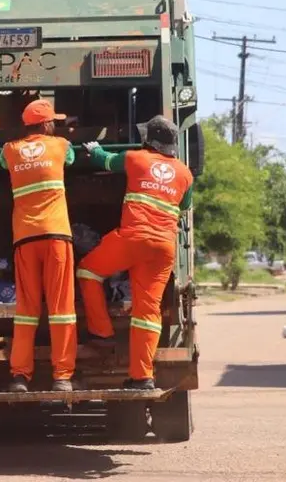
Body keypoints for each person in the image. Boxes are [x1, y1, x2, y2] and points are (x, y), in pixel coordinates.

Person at [76, 115, 193, 390]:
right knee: (147, 311)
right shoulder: (185, 173)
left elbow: (105, 161)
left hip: (133, 238)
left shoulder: (135, 158)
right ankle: (142, 378)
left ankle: (102, 333)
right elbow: (184, 204)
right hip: (164, 248)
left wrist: (94, 150)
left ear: (148, 140)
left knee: (88, 271)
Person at [0, 99, 78, 393]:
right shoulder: (61, 146)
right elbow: (70, 160)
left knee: (26, 310)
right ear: (46, 125)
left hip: (25, 238)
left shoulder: (10, 150)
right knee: (61, 309)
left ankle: (20, 375)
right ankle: (62, 376)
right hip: (57, 236)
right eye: (54, 122)